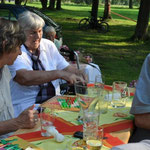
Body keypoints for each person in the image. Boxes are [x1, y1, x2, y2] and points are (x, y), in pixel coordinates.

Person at [8, 11, 86, 117]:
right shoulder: (14, 50)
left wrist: (79, 73)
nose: (38, 36)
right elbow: (24, 77)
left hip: (55, 102)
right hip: (27, 106)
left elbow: (65, 67)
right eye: (33, 32)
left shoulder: (48, 45)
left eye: (40, 31)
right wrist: (58, 74)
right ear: (21, 33)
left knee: (84, 110)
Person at [0, 18, 38, 140]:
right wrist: (18, 122)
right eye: (19, 47)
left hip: (10, 140)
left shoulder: (5, 69)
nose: (20, 53)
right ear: (5, 44)